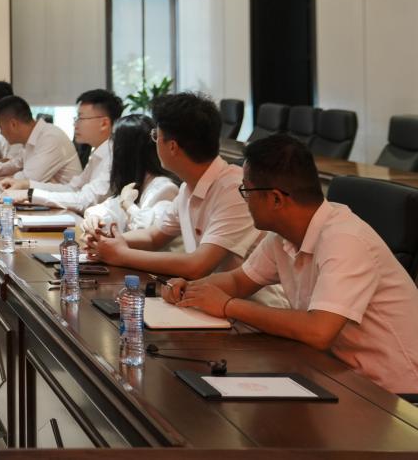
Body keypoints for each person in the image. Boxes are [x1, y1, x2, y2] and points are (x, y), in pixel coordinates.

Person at [162, 135, 418, 396]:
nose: (244, 201)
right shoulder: (282, 236)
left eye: (246, 192)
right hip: (338, 372)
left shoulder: (345, 240)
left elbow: (319, 331)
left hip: (395, 394)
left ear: (276, 199)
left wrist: (228, 305)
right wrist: (191, 290)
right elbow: (239, 281)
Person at [84, 92, 263, 280]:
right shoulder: (188, 188)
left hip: (250, 298)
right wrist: (106, 241)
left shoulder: (235, 189)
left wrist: (121, 254)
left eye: (156, 136)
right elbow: (153, 237)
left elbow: (197, 266)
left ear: (172, 147)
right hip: (207, 293)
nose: (154, 143)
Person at [27, 89, 123, 213]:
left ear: (104, 123)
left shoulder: (114, 155)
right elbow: (73, 188)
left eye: (80, 118)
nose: (75, 124)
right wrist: (28, 186)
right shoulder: (98, 153)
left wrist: (30, 194)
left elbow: (85, 201)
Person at [82, 114, 180, 233]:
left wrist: (128, 204)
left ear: (124, 152)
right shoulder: (137, 182)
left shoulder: (164, 188)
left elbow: (148, 233)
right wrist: (94, 218)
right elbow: (107, 208)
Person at [0, 96, 81, 187]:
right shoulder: (32, 137)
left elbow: (28, 179)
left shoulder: (50, 137)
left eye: (0, 127)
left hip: (64, 199)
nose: (1, 133)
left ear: (13, 124)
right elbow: (14, 164)